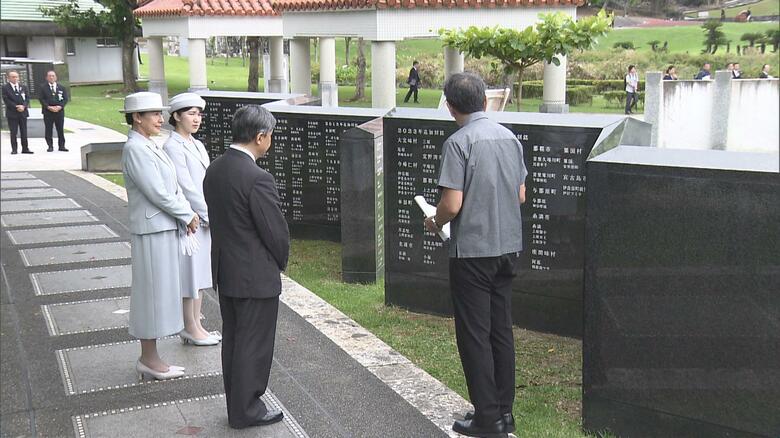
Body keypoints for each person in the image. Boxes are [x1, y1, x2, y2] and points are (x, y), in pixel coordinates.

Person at [424, 72, 527, 438]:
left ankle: (488, 418)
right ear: (485, 101)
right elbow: (520, 195)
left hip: (472, 253)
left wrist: (434, 221)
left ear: (450, 107)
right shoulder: (509, 138)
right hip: (507, 247)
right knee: (501, 330)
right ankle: (504, 412)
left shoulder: (458, 143)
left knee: (475, 335)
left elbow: (452, 204)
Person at [203, 105, 289, 429]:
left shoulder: (215, 168)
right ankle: (247, 410)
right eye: (271, 136)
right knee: (254, 345)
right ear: (260, 136)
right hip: (254, 275)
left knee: (235, 341)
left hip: (227, 271)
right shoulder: (257, 178)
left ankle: (237, 405)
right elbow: (274, 231)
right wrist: (280, 260)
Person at [121, 92, 199, 381]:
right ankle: (149, 359)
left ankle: (152, 358)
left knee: (160, 294)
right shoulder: (135, 149)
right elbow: (157, 192)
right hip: (151, 230)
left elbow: (172, 187)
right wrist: (186, 214)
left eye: (159, 113)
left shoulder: (148, 145)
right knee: (150, 295)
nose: (160, 118)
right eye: (153, 113)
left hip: (162, 228)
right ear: (136, 117)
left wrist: (185, 213)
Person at [163, 93, 220, 347]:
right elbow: (186, 185)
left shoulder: (196, 144)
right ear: (176, 116)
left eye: (199, 114)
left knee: (201, 273)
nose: (197, 119)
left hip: (204, 216)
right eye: (191, 114)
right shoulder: (173, 146)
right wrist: (207, 213)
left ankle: (197, 324)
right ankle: (189, 326)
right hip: (191, 218)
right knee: (191, 274)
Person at [2, 70, 32, 154]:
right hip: (12, 113)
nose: (15, 78)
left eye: (16, 77)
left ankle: (25, 148)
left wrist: (23, 106)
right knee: (13, 132)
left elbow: (27, 98)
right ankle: (14, 149)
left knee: (24, 131)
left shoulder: (23, 87)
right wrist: (16, 106)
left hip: (23, 112)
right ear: (8, 78)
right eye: (13, 77)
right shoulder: (5, 88)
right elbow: (6, 99)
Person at [38, 70, 69, 152]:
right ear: (46, 78)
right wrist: (48, 107)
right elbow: (41, 99)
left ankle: (61, 146)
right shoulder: (43, 88)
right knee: (48, 129)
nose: (51, 77)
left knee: (60, 129)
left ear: (56, 77)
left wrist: (60, 106)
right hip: (48, 112)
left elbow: (65, 99)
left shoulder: (61, 87)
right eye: (49, 76)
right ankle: (50, 146)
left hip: (59, 112)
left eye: (53, 76)